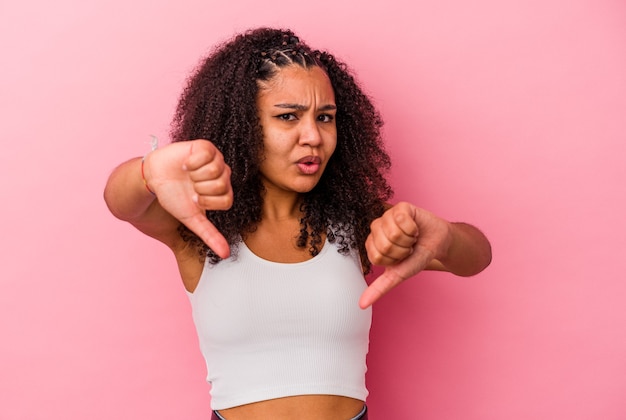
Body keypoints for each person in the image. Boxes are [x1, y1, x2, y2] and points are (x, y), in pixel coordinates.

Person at [104, 27, 491, 420]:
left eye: (325, 117)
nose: (314, 136)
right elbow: (120, 201)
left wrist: (444, 238)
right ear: (242, 125)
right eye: (288, 117)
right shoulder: (199, 227)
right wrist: (149, 171)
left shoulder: (354, 220)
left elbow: (477, 256)